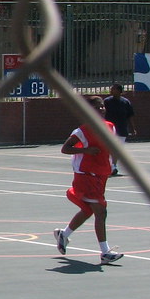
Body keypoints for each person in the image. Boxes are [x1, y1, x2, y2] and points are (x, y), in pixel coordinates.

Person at [54, 96, 123, 265]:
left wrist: (112, 164)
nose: (101, 109)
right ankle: (105, 252)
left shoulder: (110, 127)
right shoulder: (82, 131)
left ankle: (64, 234)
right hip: (86, 175)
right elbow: (65, 148)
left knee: (88, 210)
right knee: (101, 212)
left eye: (102, 107)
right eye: (97, 107)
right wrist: (86, 150)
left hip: (101, 175)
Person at [103, 83, 135, 176]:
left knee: (117, 149)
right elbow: (102, 114)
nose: (111, 90)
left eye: (113, 89)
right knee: (109, 148)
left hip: (122, 129)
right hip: (109, 129)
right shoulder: (107, 101)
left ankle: (113, 165)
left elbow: (130, 116)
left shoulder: (126, 102)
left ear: (119, 91)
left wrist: (133, 128)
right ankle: (110, 166)